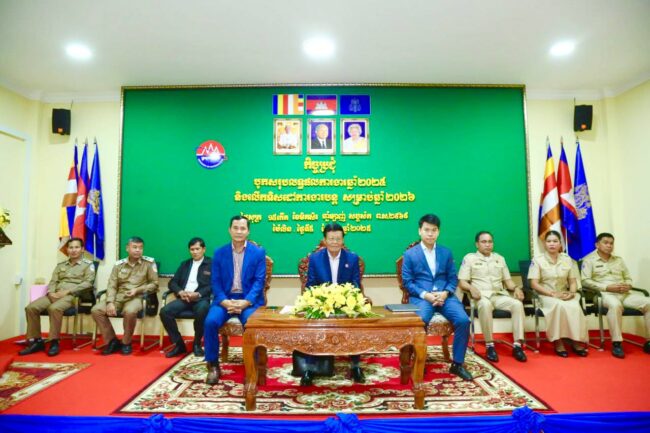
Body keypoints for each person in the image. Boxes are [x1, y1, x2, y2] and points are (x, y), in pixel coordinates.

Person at [402, 214, 473, 381]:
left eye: (433, 230)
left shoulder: (446, 252)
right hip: (422, 297)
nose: (430, 234)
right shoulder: (410, 254)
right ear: (420, 231)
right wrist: (425, 295)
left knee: (463, 320)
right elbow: (408, 282)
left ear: (438, 232)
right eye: (426, 230)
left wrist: (446, 293)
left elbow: (452, 278)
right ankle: (418, 361)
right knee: (421, 321)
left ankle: (457, 364)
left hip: (444, 296)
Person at [295, 223, 363, 386]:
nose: (335, 242)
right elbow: (310, 285)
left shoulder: (352, 258)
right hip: (322, 304)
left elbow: (356, 285)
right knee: (311, 325)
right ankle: (309, 368)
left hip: (344, 304)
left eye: (338, 239)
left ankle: (355, 366)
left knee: (356, 323)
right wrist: (319, 299)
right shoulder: (315, 259)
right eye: (331, 239)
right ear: (325, 240)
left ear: (343, 240)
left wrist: (346, 299)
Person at [203, 215, 267, 385]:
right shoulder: (219, 252)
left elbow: (259, 281)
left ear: (248, 231)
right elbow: (215, 281)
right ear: (229, 230)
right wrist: (225, 301)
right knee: (210, 322)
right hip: (225, 300)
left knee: (251, 324)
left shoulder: (258, 252)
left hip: (248, 301)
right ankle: (213, 365)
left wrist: (245, 303)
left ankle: (252, 365)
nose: (239, 231)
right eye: (235, 228)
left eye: (242, 228)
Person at [19, 237, 95, 357]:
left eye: (76, 247)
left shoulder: (88, 265)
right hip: (54, 294)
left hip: (71, 296)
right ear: (67, 250)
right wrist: (51, 292)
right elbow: (53, 281)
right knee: (31, 308)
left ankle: (54, 341)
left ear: (82, 249)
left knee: (54, 308)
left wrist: (67, 292)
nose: (73, 250)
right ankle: (36, 341)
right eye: (71, 247)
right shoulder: (61, 265)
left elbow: (88, 283)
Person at [458, 231, 527, 363]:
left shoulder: (499, 258)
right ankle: (490, 345)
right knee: (485, 304)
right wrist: (471, 288)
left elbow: (508, 282)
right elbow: (462, 282)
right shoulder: (469, 258)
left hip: (498, 295)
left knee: (517, 304)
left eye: (490, 242)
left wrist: (517, 288)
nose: (487, 245)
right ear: (477, 244)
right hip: (481, 296)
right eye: (484, 242)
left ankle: (517, 345)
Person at [581, 232, 650, 358]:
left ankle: (649, 341)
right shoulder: (589, 260)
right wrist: (606, 287)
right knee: (615, 305)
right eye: (605, 243)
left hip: (624, 293)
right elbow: (585, 281)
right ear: (597, 245)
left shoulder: (619, 260)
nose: (609, 246)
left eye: (611, 243)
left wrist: (628, 285)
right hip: (603, 295)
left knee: (648, 303)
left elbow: (628, 278)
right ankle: (617, 343)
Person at [91, 236, 159, 355]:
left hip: (137, 297)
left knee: (130, 311)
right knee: (96, 310)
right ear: (127, 248)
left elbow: (155, 284)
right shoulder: (119, 265)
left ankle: (126, 342)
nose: (138, 250)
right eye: (135, 247)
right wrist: (110, 302)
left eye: (140, 248)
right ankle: (112, 341)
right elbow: (112, 285)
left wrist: (137, 290)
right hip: (119, 296)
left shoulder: (148, 263)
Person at [528, 230, 588, 357]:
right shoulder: (538, 260)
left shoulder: (567, 259)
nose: (552, 244)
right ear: (544, 244)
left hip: (564, 293)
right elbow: (534, 284)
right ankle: (558, 341)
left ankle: (576, 340)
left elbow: (573, 281)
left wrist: (572, 293)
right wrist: (552, 294)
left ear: (560, 244)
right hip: (544, 295)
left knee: (574, 306)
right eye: (549, 241)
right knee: (558, 305)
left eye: (555, 241)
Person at [160, 237, 212, 358]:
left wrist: (198, 294)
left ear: (204, 249)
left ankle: (197, 344)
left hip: (201, 298)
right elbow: (172, 282)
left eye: (197, 249)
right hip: (184, 298)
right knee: (165, 312)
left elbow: (214, 285)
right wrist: (180, 292)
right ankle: (179, 344)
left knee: (202, 310)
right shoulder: (185, 264)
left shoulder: (212, 264)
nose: (195, 252)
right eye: (192, 249)